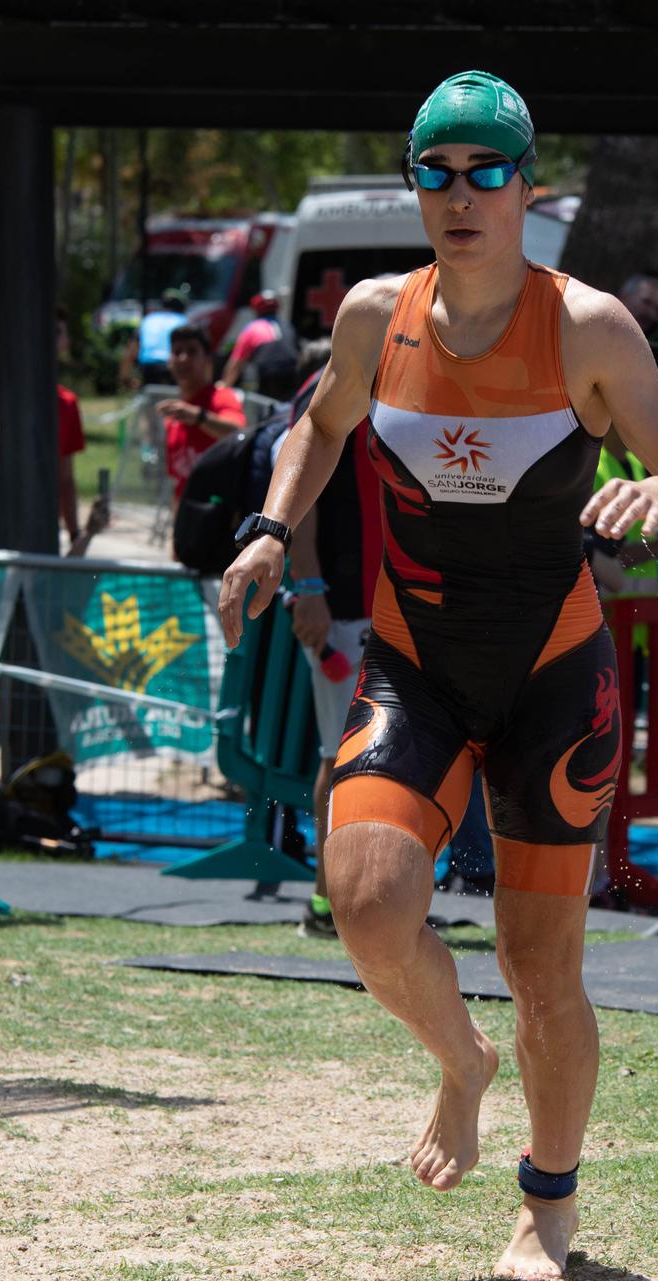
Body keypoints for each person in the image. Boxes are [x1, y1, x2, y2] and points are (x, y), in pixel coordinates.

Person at [218, 70, 658, 1281]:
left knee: (541, 963)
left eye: (484, 170)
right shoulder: (372, 317)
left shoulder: (587, 326)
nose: (459, 193)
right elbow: (321, 426)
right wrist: (273, 531)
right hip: (416, 664)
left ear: (524, 185)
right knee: (366, 893)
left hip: (552, 668)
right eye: (434, 171)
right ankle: (461, 1063)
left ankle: (547, 1197)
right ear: (414, 187)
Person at [281, 367, 381, 938]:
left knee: (397, 757)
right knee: (342, 755)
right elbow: (298, 486)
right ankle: (326, 903)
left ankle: (378, 897)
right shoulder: (332, 382)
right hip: (345, 605)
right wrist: (310, 587)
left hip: (402, 602)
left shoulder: (414, 369)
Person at [0, 308, 88, 552]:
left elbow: (65, 478)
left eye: (57, 332)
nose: (50, 338)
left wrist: (75, 533)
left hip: (43, 528)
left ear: (66, 342)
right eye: (45, 332)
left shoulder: (67, 404)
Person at [161, 324, 246, 506]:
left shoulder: (221, 397)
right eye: (177, 352)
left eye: (192, 351)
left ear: (207, 360)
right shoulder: (173, 416)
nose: (183, 358)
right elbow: (178, 481)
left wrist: (200, 417)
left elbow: (238, 432)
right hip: (187, 516)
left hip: (217, 513)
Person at [221, 290, 299, 400]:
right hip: (292, 372)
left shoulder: (251, 328)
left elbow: (236, 364)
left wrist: (224, 387)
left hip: (269, 376)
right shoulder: (287, 326)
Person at [119, 286, 190, 388]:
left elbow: (130, 352)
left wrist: (126, 379)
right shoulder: (183, 321)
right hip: (172, 367)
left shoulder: (148, 320)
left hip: (148, 368)